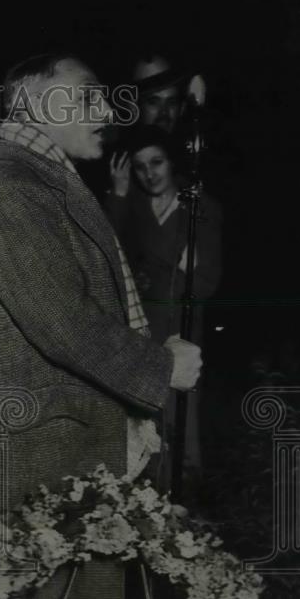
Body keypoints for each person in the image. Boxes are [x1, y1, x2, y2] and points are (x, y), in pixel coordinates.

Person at [0, 53, 203, 599]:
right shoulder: (12, 191)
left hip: (42, 468)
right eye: (87, 98)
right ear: (35, 106)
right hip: (24, 479)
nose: (107, 111)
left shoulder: (34, 184)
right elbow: (63, 322)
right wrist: (158, 367)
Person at [106, 125, 223, 473]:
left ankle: (179, 502)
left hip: (177, 327)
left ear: (173, 163)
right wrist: (119, 193)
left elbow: (205, 281)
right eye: (140, 166)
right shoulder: (132, 202)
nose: (149, 173)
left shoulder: (201, 206)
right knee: (134, 418)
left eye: (156, 162)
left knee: (177, 418)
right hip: (133, 327)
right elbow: (105, 255)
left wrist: (150, 266)